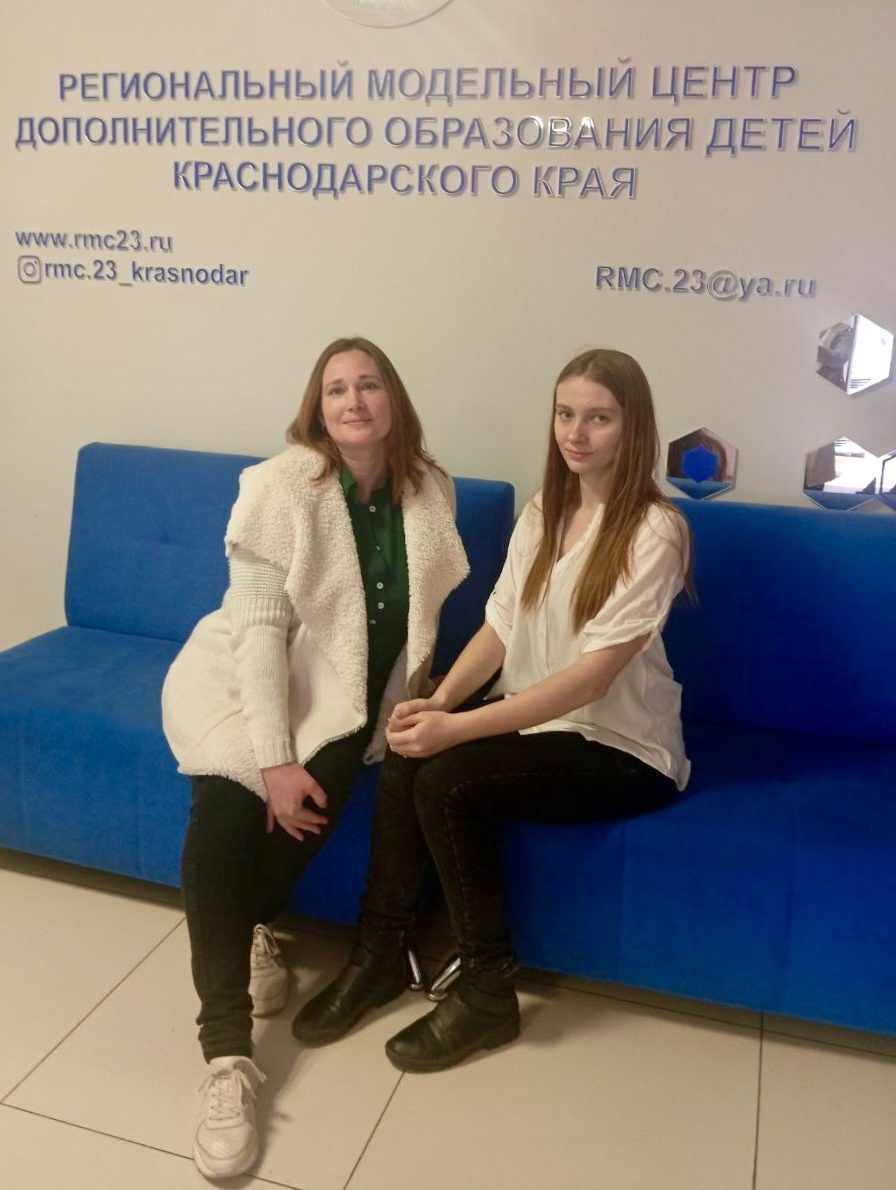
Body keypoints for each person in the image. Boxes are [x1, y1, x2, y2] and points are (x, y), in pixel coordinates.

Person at [293, 347, 692, 1073]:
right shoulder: (547, 509)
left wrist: (460, 727)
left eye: (599, 419)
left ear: (633, 427)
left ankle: (486, 991)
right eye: (565, 414)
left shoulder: (655, 530)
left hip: (621, 747)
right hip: (540, 723)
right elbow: (500, 626)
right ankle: (379, 953)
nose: (576, 433)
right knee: (408, 747)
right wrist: (437, 702)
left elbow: (592, 680)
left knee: (450, 779)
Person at [161, 337, 468, 1179]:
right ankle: (227, 1056)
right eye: (336, 389)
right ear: (318, 408)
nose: (353, 400)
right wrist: (270, 759)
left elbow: (416, 630)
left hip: (344, 700)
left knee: (319, 791)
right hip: (244, 679)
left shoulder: (429, 489)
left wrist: (413, 709)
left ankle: (251, 924)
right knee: (226, 798)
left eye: (369, 385)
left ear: (393, 401)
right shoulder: (277, 487)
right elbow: (259, 633)